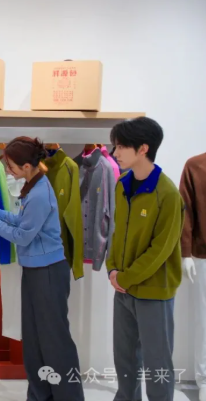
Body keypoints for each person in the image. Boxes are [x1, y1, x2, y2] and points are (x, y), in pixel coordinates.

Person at [0, 137, 84, 401]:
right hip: (36, 270)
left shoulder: (39, 193)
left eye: (11, 166)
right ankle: (40, 395)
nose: (8, 170)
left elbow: (23, 236)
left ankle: (68, 397)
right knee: (34, 340)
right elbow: (23, 221)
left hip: (49, 272)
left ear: (26, 166)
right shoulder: (33, 186)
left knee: (55, 340)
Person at [106, 117, 183, 401]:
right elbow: (117, 233)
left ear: (143, 148)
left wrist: (125, 277)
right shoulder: (122, 184)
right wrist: (113, 269)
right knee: (124, 359)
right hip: (123, 288)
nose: (115, 153)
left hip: (153, 291)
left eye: (121, 146)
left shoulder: (168, 194)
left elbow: (160, 249)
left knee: (156, 362)